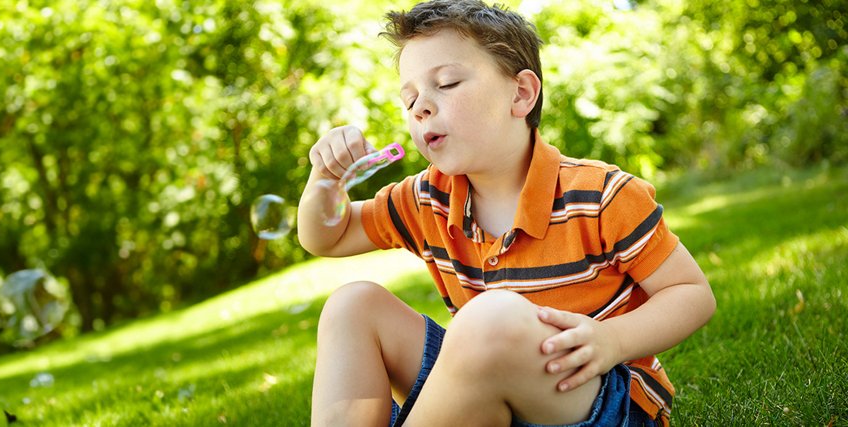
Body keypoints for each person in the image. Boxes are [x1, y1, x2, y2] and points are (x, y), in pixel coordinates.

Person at [296, 1, 716, 426]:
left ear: (521, 93)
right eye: (410, 99)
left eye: (446, 82)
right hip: (490, 391)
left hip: (597, 398)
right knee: (353, 306)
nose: (421, 106)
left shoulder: (600, 194)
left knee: (488, 316)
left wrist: (611, 339)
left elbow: (692, 294)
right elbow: (328, 235)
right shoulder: (426, 198)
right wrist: (326, 181)